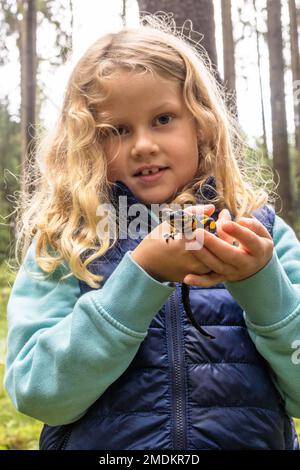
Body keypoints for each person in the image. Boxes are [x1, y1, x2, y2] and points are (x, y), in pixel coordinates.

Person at [4, 16, 300, 450]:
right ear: (87, 142)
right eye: (117, 131)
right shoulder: (68, 243)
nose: (142, 144)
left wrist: (260, 283)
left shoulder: (260, 234)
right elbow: (38, 394)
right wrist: (140, 276)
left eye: (163, 118)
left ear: (200, 123)